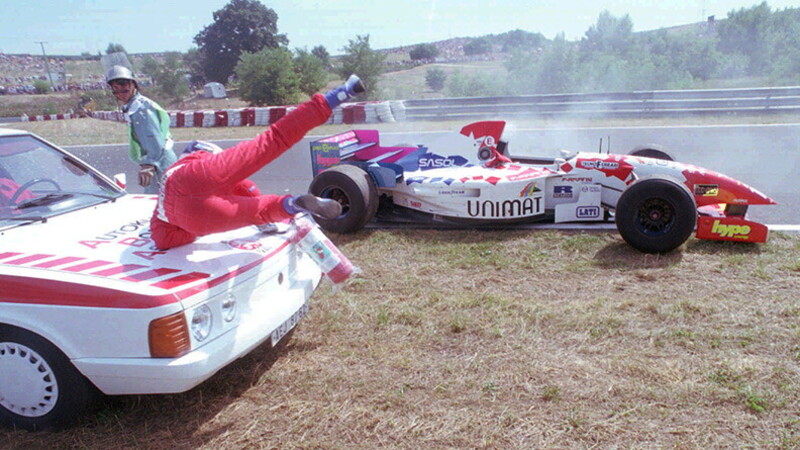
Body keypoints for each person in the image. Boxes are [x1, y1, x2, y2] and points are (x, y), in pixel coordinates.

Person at [149, 75, 365, 250]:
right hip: (196, 172)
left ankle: (293, 204)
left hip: (187, 215)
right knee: (273, 139)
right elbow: (249, 189)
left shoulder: (160, 217)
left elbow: (162, 240)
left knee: (260, 211)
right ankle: (341, 93)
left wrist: (194, 231)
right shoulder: (197, 159)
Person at [106, 65, 176, 194]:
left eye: (124, 89)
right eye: (116, 91)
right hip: (157, 160)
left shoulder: (141, 108)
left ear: (134, 85)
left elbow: (153, 138)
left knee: (159, 202)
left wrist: (150, 164)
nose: (120, 94)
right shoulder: (133, 106)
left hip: (159, 161)